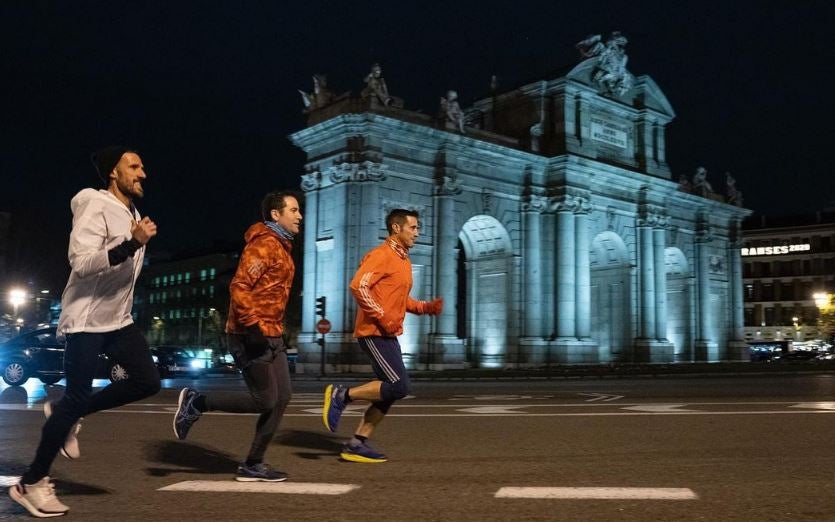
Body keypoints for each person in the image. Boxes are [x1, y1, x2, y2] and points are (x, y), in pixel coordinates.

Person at [9, 146, 161, 517]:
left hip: (118, 320)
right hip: (87, 321)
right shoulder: (95, 205)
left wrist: (133, 240)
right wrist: (131, 244)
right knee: (76, 398)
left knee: (147, 381)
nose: (143, 173)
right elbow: (81, 261)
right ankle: (31, 483)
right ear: (114, 172)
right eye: (134, 166)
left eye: (142, 166)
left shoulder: (132, 211)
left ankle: (66, 411)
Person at [173, 191, 302, 482]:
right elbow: (239, 287)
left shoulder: (282, 247)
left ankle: (253, 463)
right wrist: (254, 327)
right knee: (265, 400)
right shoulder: (264, 245)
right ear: (275, 214)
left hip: (272, 334)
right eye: (293, 210)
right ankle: (197, 402)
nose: (299, 216)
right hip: (249, 334)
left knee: (283, 398)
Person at [322, 209, 443, 463]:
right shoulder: (382, 254)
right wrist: (382, 316)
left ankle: (356, 443)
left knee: (390, 391)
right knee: (399, 386)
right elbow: (358, 286)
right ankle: (341, 395)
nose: (417, 233)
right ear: (396, 228)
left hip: (388, 333)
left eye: (418, 228)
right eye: (413, 227)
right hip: (373, 332)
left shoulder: (403, 260)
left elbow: (397, 299)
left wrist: (423, 307)